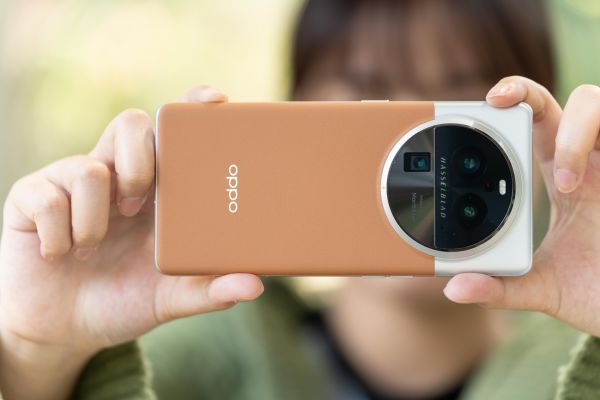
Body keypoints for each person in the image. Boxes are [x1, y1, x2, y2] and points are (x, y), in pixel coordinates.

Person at [1, 0, 600, 399]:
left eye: (453, 95)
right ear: (296, 108)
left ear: (528, 125)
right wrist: (38, 358)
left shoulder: (578, 352)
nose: (412, 143)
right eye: (368, 92)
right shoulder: (202, 363)